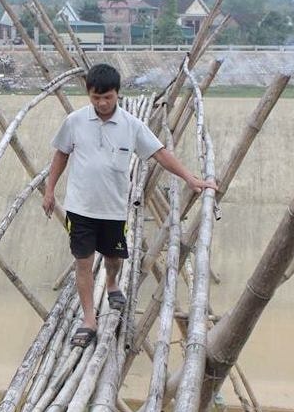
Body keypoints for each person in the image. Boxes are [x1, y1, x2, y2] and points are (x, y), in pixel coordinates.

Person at [42, 63, 217, 347]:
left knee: (114, 259)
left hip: (112, 209)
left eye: (107, 97)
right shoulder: (74, 121)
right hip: (80, 208)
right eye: (95, 97)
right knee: (82, 262)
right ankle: (89, 320)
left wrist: (191, 178)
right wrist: (49, 191)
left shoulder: (132, 126)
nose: (101, 103)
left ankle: (111, 284)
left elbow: (160, 154)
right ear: (88, 94)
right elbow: (60, 155)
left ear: (117, 94)